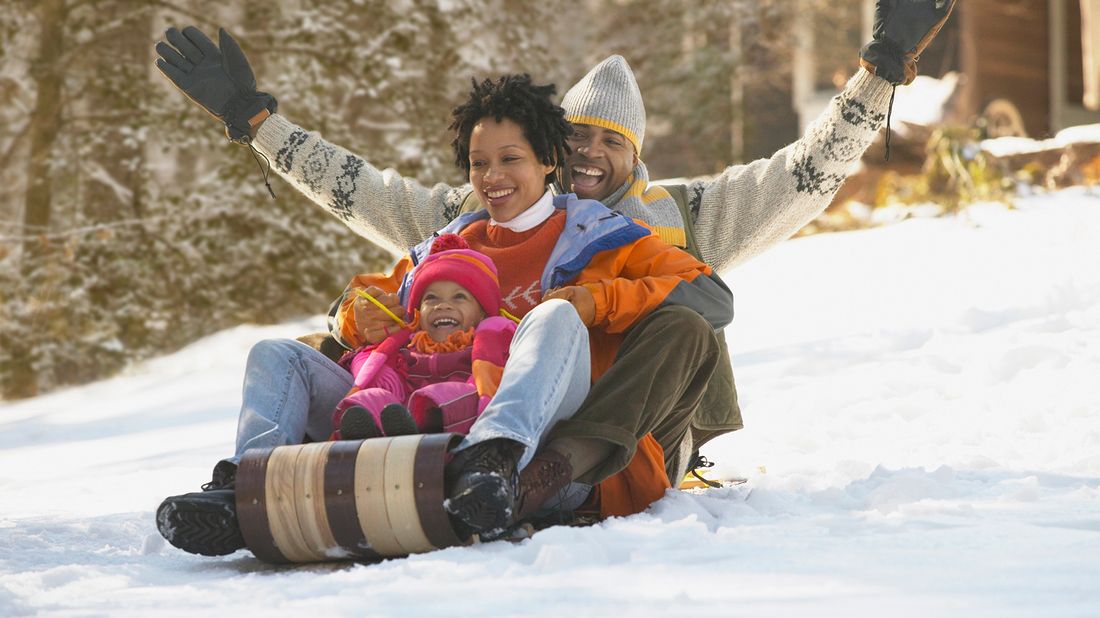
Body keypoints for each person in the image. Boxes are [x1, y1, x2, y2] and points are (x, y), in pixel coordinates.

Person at [152, 1, 956, 476]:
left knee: (667, 321)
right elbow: (357, 187)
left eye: (610, 141)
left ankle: (543, 472)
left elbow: (805, 171)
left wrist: (881, 70)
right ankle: (271, 479)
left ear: (635, 153)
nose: (588, 154)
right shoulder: (480, 207)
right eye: (574, 140)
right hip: (478, 403)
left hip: (623, 427)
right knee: (323, 344)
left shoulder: (683, 217)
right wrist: (257, 123)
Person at [153, 71, 732, 555]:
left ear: (550, 161)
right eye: (480, 163)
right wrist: (361, 318)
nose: (493, 177)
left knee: (552, 319)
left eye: (511, 159)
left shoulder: (606, 237)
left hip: (537, 443)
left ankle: (493, 459)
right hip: (418, 421)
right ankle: (244, 486)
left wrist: (595, 301)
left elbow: (709, 295)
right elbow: (361, 292)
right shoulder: (446, 242)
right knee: (276, 353)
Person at [330, 234, 517, 440]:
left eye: (459, 297)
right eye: (431, 298)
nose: (443, 305)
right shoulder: (408, 345)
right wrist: (384, 376)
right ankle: (363, 431)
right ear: (418, 312)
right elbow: (367, 358)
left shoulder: (486, 343)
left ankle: (427, 425)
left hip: (455, 421)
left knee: (454, 396)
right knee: (371, 399)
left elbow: (495, 376)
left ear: (482, 313)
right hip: (400, 416)